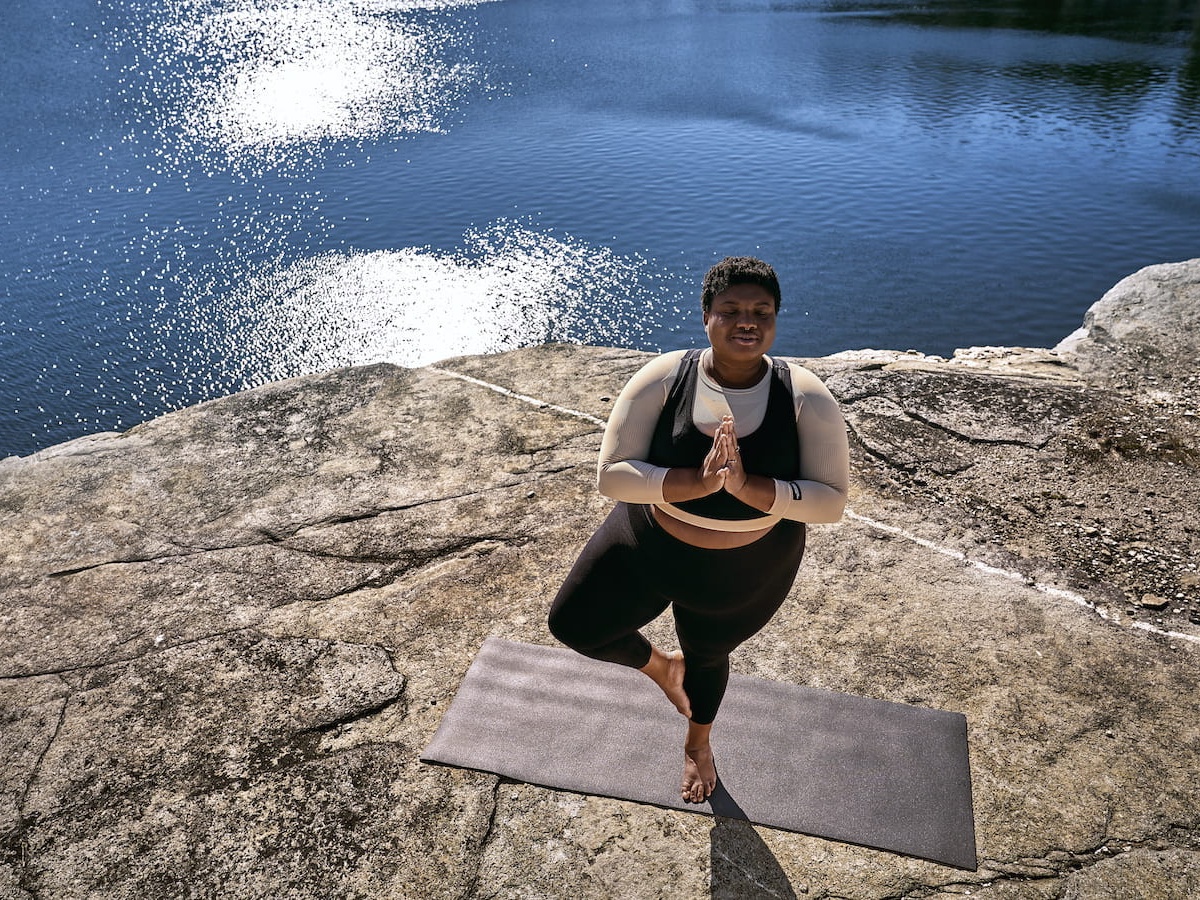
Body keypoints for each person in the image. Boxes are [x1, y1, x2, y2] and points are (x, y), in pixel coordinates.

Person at [548, 256, 850, 804]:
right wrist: (697, 482)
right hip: (645, 544)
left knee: (708, 660)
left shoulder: (804, 395)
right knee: (575, 625)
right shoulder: (666, 376)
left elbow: (830, 503)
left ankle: (698, 743)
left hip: (745, 570)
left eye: (761, 311)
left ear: (776, 319)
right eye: (730, 310)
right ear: (706, 315)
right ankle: (663, 668)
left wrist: (746, 488)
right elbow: (611, 476)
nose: (746, 321)